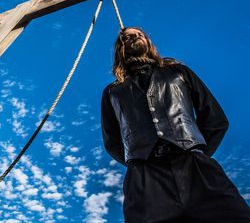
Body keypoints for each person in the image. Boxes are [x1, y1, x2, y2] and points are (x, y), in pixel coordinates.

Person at [101, 27, 250, 223]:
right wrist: (138, 162)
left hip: (195, 169)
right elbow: (112, 141)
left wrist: (196, 151)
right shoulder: (113, 91)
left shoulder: (177, 71)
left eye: (140, 34)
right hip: (146, 179)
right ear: (120, 48)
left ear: (148, 42)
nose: (135, 36)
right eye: (127, 36)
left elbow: (216, 119)